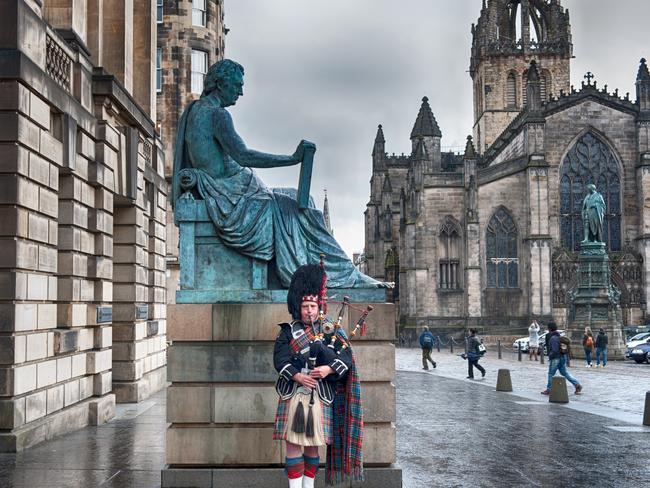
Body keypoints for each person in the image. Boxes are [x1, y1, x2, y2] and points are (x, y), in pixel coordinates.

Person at [172, 59, 386, 289]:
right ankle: (343, 277)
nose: (241, 92)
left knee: (301, 200)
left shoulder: (193, 110)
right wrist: (292, 159)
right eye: (237, 85)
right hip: (232, 195)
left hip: (233, 190)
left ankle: (339, 273)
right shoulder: (217, 115)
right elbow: (244, 156)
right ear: (220, 84)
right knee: (302, 212)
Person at [273, 264, 363, 487]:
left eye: (312, 305)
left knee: (312, 445)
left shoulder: (331, 330)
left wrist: (328, 369)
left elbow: (347, 359)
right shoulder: (287, 331)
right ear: (298, 307)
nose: (309, 311)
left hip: (320, 395)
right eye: (305, 306)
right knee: (293, 443)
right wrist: (297, 376)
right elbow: (280, 360)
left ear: (319, 306)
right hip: (293, 394)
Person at [541, 322, 582, 396]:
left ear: (549, 329)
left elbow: (555, 350)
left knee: (551, 374)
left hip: (556, 358)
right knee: (565, 373)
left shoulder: (553, 338)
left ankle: (549, 389)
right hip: (563, 357)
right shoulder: (559, 336)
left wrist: (550, 355)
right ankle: (577, 385)